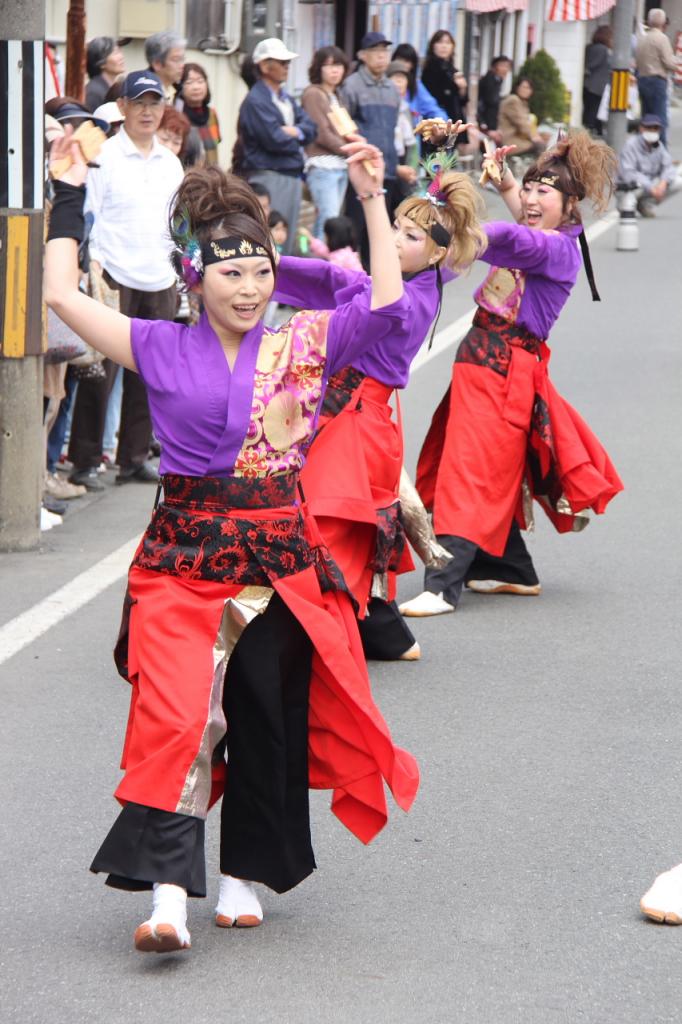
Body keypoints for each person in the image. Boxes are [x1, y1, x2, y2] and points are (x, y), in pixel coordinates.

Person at [45, 126, 419, 953]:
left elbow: (390, 306)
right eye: (231, 273)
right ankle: (169, 896)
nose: (250, 289)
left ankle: (244, 875)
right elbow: (63, 297)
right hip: (182, 560)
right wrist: (68, 193)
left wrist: (370, 197)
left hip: (281, 559)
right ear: (194, 276)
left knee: (264, 716)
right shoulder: (157, 343)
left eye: (260, 272)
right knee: (174, 716)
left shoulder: (303, 343)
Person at [273, 125, 487, 660]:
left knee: (328, 520)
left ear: (437, 255)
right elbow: (321, 277)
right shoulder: (377, 285)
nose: (394, 239)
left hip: (358, 422)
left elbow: (355, 290)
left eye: (410, 237)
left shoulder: (408, 304)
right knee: (317, 518)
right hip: (336, 413)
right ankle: (377, 632)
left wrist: (373, 196)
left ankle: (328, 632)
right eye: (395, 227)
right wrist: (259, 267)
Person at [399, 130, 624, 618]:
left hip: (504, 368)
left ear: (571, 206)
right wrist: (505, 186)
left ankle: (442, 585)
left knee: (469, 469)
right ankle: (508, 568)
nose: (531, 198)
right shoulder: (546, 235)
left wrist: (470, 230)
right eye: (529, 189)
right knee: (490, 467)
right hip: (484, 360)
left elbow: (511, 238)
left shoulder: (559, 250)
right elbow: (524, 227)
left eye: (544, 192)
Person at [67, 70, 183, 492]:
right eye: (140, 103)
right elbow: (89, 214)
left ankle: (132, 458)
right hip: (113, 274)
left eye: (155, 103)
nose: (148, 111)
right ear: (122, 108)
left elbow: (177, 222)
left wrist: (181, 268)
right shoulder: (106, 155)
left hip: (159, 276)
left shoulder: (171, 162)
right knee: (101, 373)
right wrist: (92, 264)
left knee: (151, 376)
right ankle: (84, 460)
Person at [237, 37, 316, 256]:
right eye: (281, 62)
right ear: (264, 65)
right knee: (270, 237)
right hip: (269, 175)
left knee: (285, 240)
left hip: (289, 175)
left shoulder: (286, 98)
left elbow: (311, 128)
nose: (286, 67)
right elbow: (274, 139)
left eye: (287, 63)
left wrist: (292, 130)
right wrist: (296, 133)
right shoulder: (256, 100)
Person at [301, 45, 351, 240]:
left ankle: (327, 263)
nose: (335, 70)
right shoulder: (313, 93)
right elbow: (321, 133)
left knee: (333, 220)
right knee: (327, 220)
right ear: (318, 69)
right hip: (322, 164)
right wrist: (349, 149)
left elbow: (346, 129)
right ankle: (319, 266)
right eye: (329, 66)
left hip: (340, 164)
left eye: (338, 65)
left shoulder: (337, 95)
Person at [617, 113, 682, 217]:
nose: (652, 130)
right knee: (629, 204)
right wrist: (651, 187)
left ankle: (644, 204)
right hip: (631, 186)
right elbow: (628, 174)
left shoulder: (658, 146)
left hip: (649, 185)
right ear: (641, 128)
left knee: (677, 181)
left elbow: (668, 166)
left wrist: (663, 184)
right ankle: (625, 204)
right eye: (648, 127)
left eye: (655, 128)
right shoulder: (631, 145)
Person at [635, 8, 678, 147]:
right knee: (660, 119)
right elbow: (668, 62)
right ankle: (661, 151)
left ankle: (645, 148)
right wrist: (676, 64)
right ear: (663, 22)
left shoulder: (642, 38)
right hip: (657, 81)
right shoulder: (662, 38)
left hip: (642, 80)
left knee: (646, 118)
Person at [421, 31, 469, 137]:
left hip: (454, 117)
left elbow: (463, 101)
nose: (444, 46)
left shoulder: (453, 70)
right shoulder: (429, 68)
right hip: (436, 120)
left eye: (447, 43)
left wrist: (462, 88)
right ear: (433, 46)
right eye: (440, 42)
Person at [175, 62, 222, 166]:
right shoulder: (176, 116)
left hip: (212, 176)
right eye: (189, 82)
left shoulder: (211, 114)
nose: (196, 87)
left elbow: (216, 146)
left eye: (200, 81)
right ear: (180, 88)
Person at [391, 43, 448, 125]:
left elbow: (433, 109)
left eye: (407, 61)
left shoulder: (416, 86)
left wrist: (440, 121)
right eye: (399, 59)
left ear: (412, 65)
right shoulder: (383, 84)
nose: (402, 64)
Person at [386, 61, 419, 183]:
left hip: (404, 163)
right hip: (387, 165)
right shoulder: (384, 107)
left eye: (403, 78)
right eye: (395, 77)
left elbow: (413, 144)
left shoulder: (406, 109)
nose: (399, 82)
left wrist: (412, 168)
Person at [498, 77, 545, 157]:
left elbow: (528, 124)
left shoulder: (522, 103)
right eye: (524, 87)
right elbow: (521, 124)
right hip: (511, 140)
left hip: (519, 138)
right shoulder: (513, 100)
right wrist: (534, 137)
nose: (526, 90)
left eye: (529, 88)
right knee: (540, 147)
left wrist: (537, 135)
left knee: (543, 144)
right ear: (517, 87)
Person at [582, 26, 612, 135]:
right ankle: (593, 132)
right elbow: (594, 64)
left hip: (587, 84)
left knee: (588, 109)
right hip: (597, 86)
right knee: (595, 111)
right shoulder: (603, 50)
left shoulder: (589, 47)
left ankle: (593, 130)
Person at [84, 37, 126, 113]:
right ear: (101, 63)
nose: (121, 57)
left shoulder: (109, 87)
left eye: (120, 52)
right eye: (115, 53)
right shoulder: (94, 93)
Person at [477, 55, 513, 141]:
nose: (505, 69)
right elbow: (489, 105)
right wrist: (491, 129)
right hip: (484, 124)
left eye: (507, 66)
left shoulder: (497, 80)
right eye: (502, 66)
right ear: (494, 67)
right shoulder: (489, 81)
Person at [144, 30, 185, 104]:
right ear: (157, 64)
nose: (182, 65)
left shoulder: (177, 91)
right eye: (176, 60)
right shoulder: (144, 94)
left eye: (182, 59)